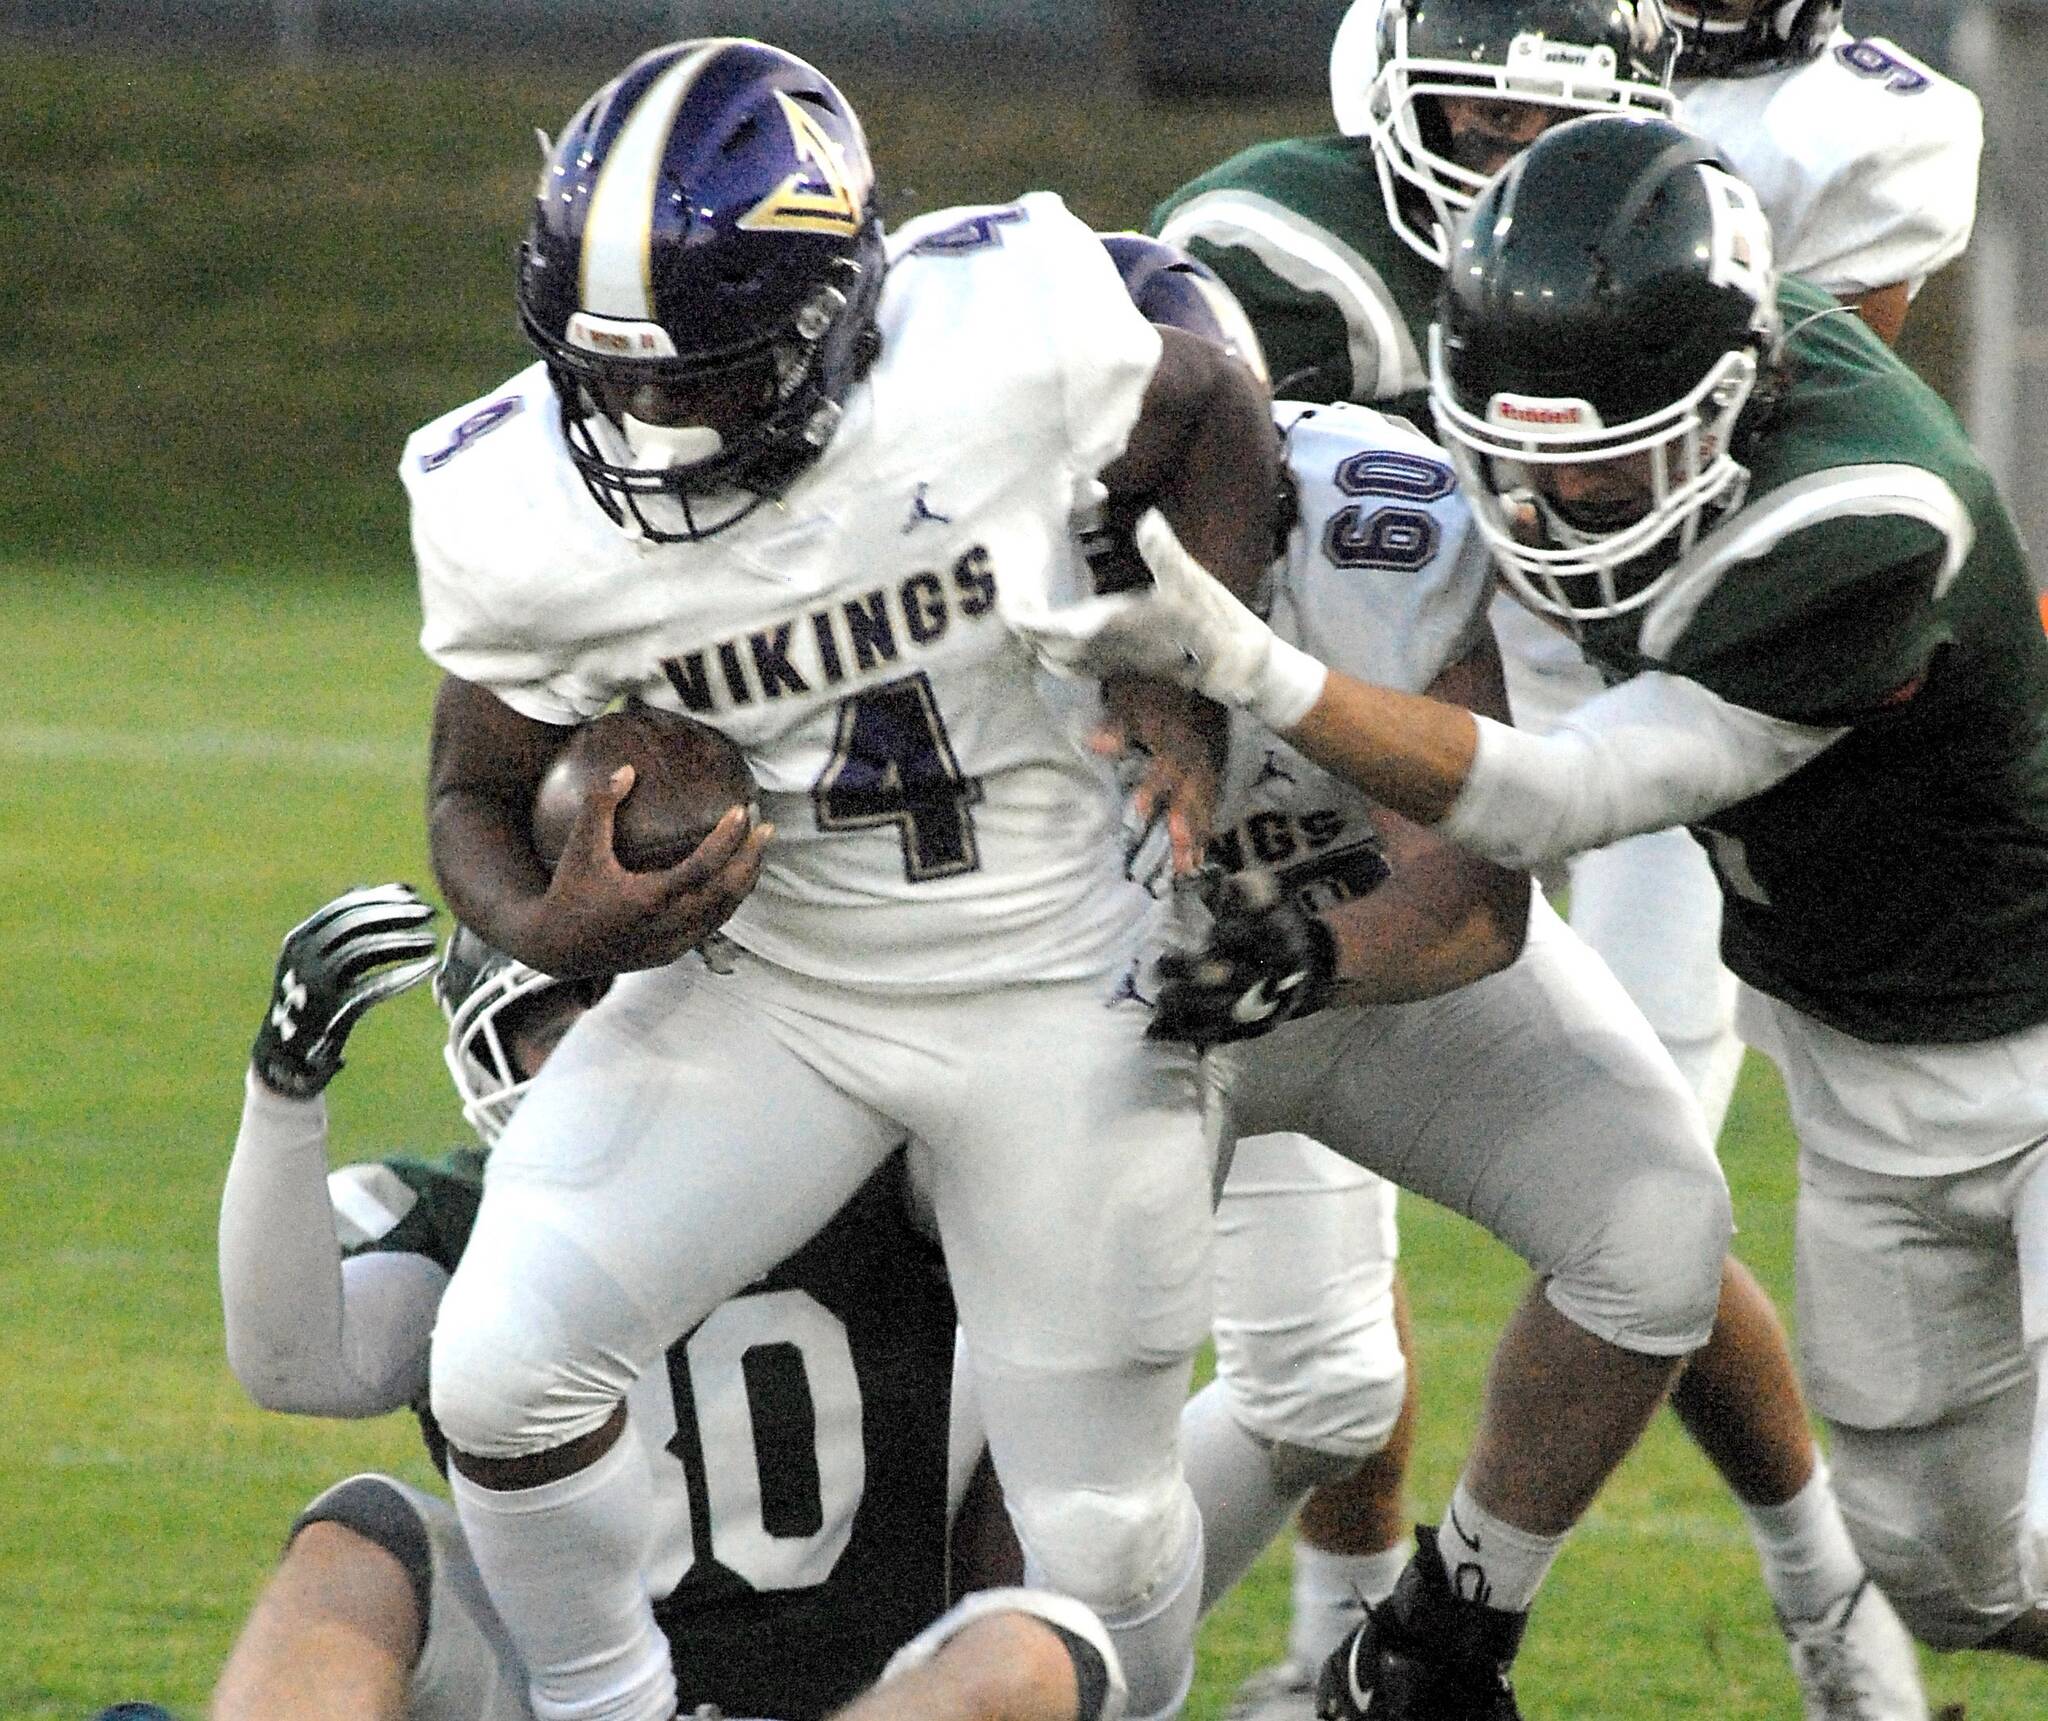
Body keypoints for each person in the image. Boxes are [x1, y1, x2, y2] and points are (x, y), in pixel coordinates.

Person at [1016, 112, 2048, 1676]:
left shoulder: (1852, 521)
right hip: (1855, 1058)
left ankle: (1436, 1645)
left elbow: (1545, 814)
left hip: (2019, 1014)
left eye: (1605, 461)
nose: (1555, 508)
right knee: (1948, 1582)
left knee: (1651, 1218)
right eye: (1522, 459)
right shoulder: (957, 574)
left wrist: (1243, 673)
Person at [406, 37, 1280, 1721]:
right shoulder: (514, 493)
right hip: (777, 990)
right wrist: (538, 918)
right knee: (503, 1373)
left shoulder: (992, 333)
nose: (647, 421)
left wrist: (1193, 665)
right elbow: (472, 782)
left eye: (700, 375)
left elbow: (1212, 409)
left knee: (1093, 1534)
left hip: (1057, 985)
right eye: (611, 376)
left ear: (830, 322)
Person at [215, 886, 990, 1721]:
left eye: (635, 1014)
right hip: (563, 1699)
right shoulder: (462, 1220)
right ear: (487, 1060)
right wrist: (284, 1087)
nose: (602, 1065)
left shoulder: (876, 1167)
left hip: (883, 1689)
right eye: (555, 1034)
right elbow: (294, 1360)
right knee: (359, 1543)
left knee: (1044, 1504)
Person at [1485, 0, 1986, 1156]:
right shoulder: (1496, 30)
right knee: (1331, 1078)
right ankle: (1326, 1350)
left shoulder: (1871, 123)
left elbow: (1811, 405)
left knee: (1632, 1133)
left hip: (1685, 632)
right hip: (1475, 587)